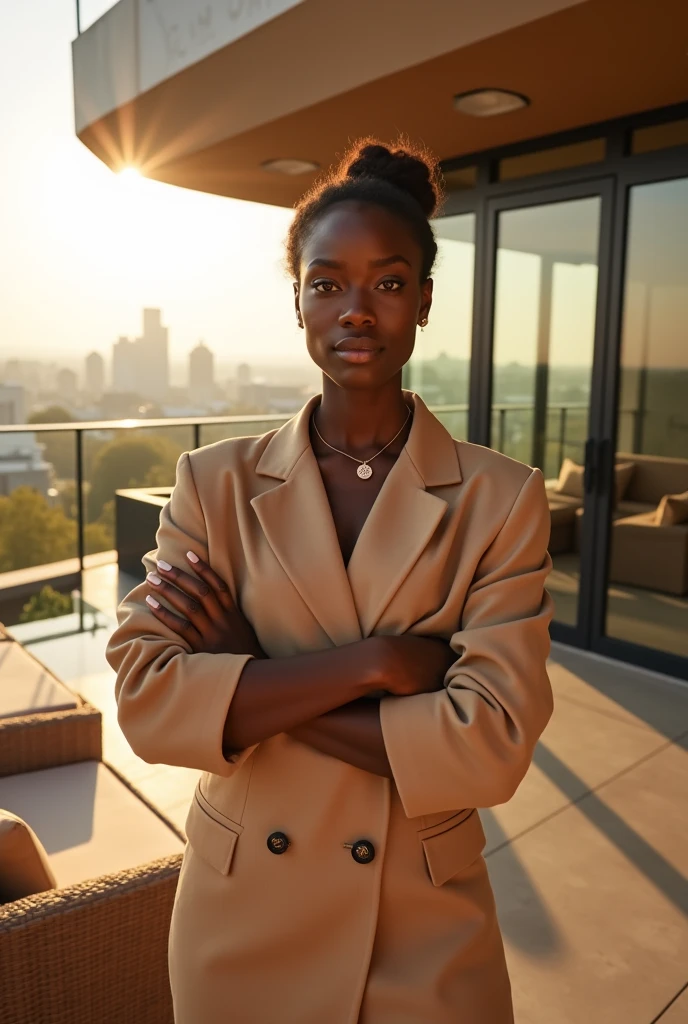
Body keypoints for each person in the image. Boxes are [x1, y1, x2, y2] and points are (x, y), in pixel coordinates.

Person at [106, 138, 554, 1024]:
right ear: (299, 303)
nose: (356, 309)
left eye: (387, 283)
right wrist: (378, 664)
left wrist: (248, 671)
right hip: (242, 920)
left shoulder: (501, 499)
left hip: (423, 927)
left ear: (424, 302)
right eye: (326, 283)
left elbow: (491, 746)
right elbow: (149, 702)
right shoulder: (213, 481)